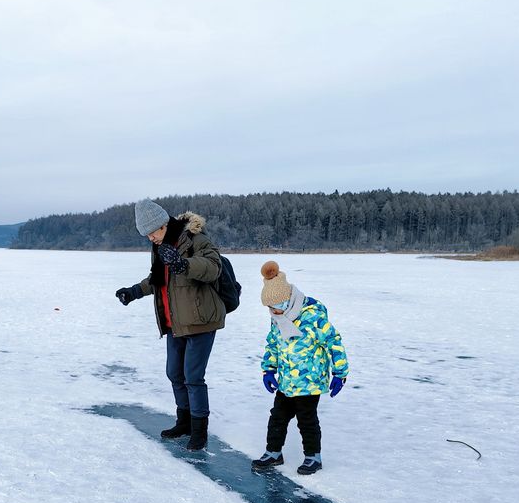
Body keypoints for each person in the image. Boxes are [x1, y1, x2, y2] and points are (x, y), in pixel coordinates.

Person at [115, 199, 225, 451]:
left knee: (193, 377)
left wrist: (183, 264)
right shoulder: (160, 246)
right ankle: (184, 422)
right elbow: (158, 278)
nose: (151, 237)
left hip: (200, 320)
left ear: (164, 224)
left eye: (153, 231)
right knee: (174, 373)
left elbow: (212, 268)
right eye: (147, 234)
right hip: (175, 322)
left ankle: (200, 431)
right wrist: (134, 291)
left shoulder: (196, 239)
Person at [252, 260, 349, 475]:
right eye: (270, 307)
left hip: (310, 381)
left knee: (307, 419)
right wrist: (268, 369)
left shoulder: (313, 316)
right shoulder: (277, 318)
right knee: (277, 416)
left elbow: (334, 342)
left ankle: (313, 457)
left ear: (287, 300)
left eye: (275, 306)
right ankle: (273, 453)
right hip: (287, 381)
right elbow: (273, 343)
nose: (273, 311)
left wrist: (340, 373)